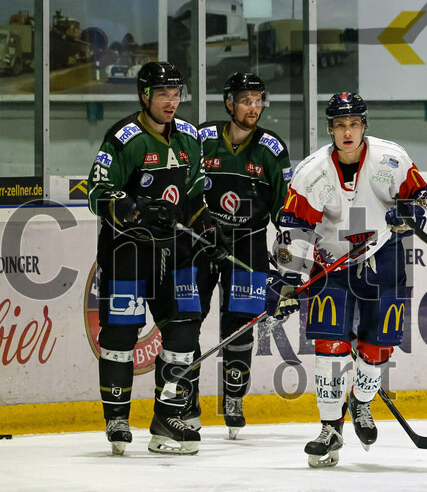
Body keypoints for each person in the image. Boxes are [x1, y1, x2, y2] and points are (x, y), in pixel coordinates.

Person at [270, 92, 427, 468]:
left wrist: (410, 213)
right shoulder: (312, 172)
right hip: (331, 262)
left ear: (364, 126)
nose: (347, 132)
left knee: (379, 345)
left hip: (382, 257)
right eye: (340, 125)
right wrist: (290, 280)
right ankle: (329, 428)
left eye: (354, 124)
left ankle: (360, 402)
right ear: (330, 129)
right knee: (328, 345)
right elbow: (295, 226)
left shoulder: (392, 159)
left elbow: (420, 195)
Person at [87, 61, 228, 456]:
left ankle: (167, 417)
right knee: (120, 335)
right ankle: (116, 417)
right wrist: (136, 208)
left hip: (177, 253)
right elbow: (97, 194)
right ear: (144, 96)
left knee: (184, 330)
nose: (171, 101)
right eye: (163, 94)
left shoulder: (188, 136)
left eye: (176, 93)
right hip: (127, 252)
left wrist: (210, 229)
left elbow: (196, 195)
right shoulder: (124, 138)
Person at [184, 72, 291, 438]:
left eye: (259, 100)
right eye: (246, 101)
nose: (254, 108)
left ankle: (233, 398)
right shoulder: (203, 140)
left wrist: (288, 266)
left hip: (248, 245)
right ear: (229, 103)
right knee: (187, 322)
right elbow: (185, 191)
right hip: (200, 242)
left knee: (240, 325)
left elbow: (286, 211)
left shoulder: (272, 149)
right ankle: (186, 399)